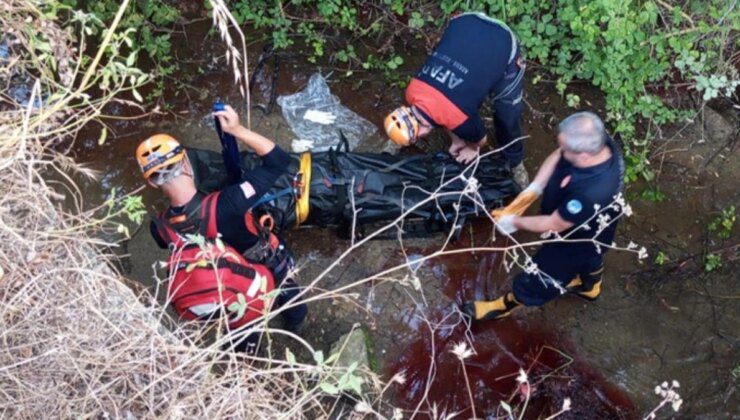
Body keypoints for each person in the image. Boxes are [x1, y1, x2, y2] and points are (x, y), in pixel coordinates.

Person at [135, 105, 308, 351]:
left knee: (240, 324)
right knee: (290, 294)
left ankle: (248, 353)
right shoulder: (229, 202)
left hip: (228, 286)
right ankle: (295, 323)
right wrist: (237, 130)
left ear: (152, 182)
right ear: (185, 161)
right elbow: (278, 161)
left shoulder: (159, 227)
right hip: (264, 267)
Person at [463, 112, 625, 320]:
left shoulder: (591, 192)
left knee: (542, 275)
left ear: (584, 155)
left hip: (573, 239)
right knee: (593, 253)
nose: (561, 151)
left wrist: (513, 221)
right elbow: (558, 155)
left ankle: (506, 305)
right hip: (594, 226)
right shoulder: (599, 144)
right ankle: (590, 286)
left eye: (566, 150)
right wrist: (534, 189)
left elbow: (554, 224)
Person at [384, 12, 528, 187]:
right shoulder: (412, 91)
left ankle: (515, 162)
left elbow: (481, 140)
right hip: (464, 22)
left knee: (507, 113)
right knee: (459, 98)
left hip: (503, 41)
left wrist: (472, 148)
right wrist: (457, 140)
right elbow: (441, 108)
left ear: (420, 133)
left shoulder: (459, 117)